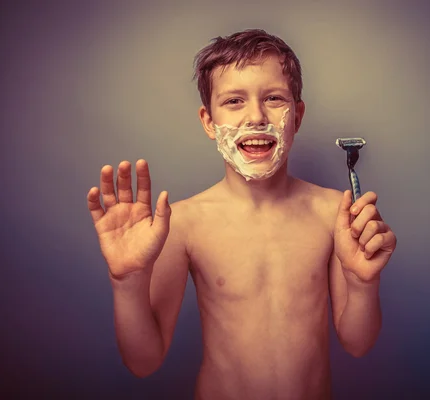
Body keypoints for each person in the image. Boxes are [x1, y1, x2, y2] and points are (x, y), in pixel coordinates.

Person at [87, 29, 397, 400]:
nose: (256, 116)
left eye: (274, 98)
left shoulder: (333, 211)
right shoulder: (183, 223)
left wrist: (363, 284)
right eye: (234, 101)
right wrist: (127, 282)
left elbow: (358, 343)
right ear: (208, 121)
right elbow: (144, 361)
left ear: (296, 115)